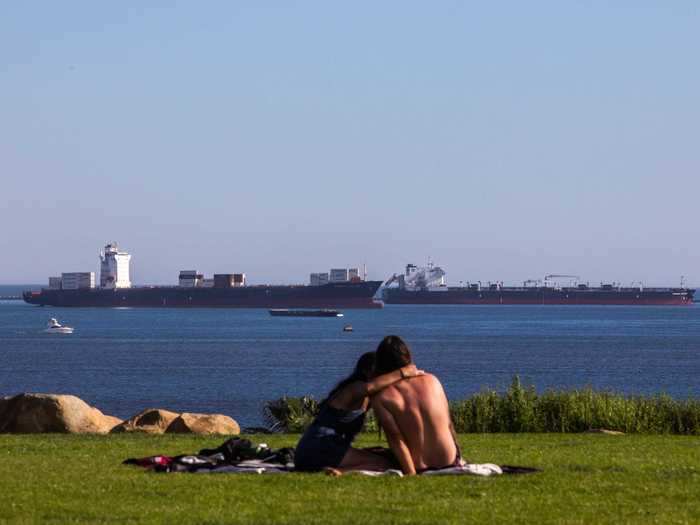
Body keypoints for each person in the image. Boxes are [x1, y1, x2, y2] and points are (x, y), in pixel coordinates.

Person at [294, 351, 423, 473]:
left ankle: (338, 470)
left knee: (384, 457)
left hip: (321, 448)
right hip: (319, 447)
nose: (384, 376)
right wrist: (402, 372)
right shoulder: (354, 389)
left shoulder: (368, 397)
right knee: (382, 464)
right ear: (367, 372)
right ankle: (341, 471)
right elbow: (370, 387)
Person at [371, 335, 461, 476]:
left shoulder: (382, 397)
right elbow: (448, 424)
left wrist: (410, 473)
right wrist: (459, 459)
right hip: (449, 460)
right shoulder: (433, 380)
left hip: (419, 466)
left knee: (374, 454)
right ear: (407, 356)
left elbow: (396, 439)